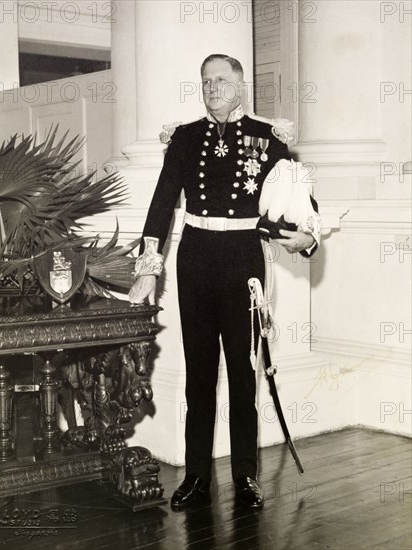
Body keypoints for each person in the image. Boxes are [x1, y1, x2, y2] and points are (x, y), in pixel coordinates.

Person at [129, 54, 321, 509]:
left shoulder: (267, 137)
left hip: (242, 262)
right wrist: (148, 266)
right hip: (194, 258)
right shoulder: (184, 137)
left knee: (241, 373)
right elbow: (161, 204)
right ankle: (196, 476)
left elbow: (299, 196)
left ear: (240, 85)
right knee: (198, 374)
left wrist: (308, 235)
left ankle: (245, 477)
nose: (212, 87)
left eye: (221, 79)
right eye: (205, 80)